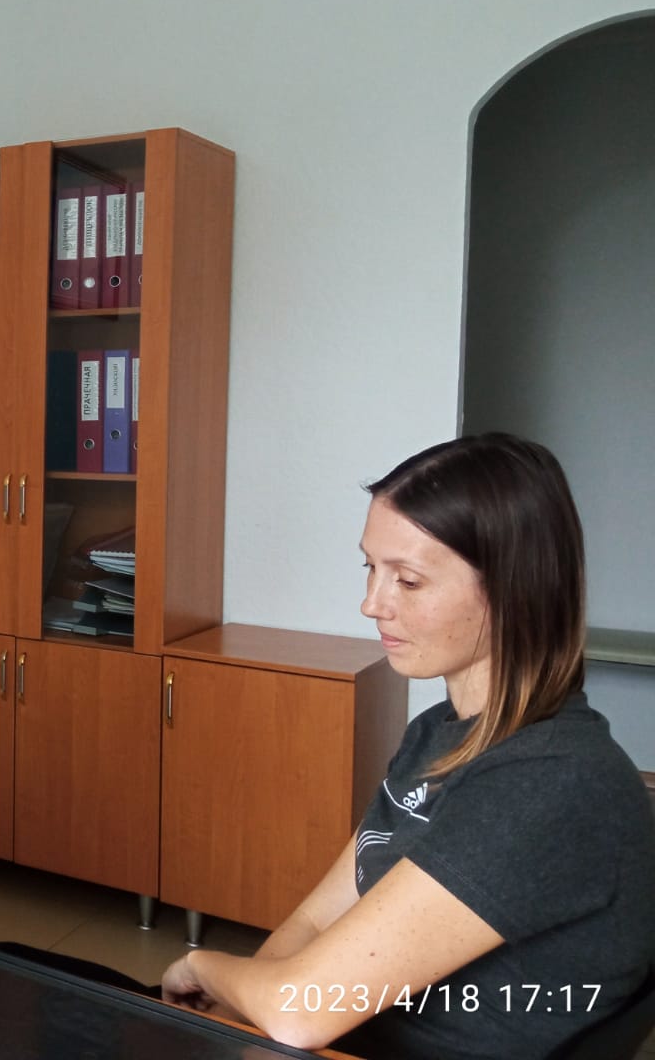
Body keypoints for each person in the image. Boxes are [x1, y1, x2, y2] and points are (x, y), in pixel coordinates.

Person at [160, 433, 655, 1059]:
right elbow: (316, 920)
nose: (372, 604)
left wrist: (202, 967)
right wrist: (234, 1022)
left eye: (410, 581)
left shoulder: (552, 781)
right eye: (371, 568)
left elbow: (300, 1010)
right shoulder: (438, 732)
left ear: (515, 589)